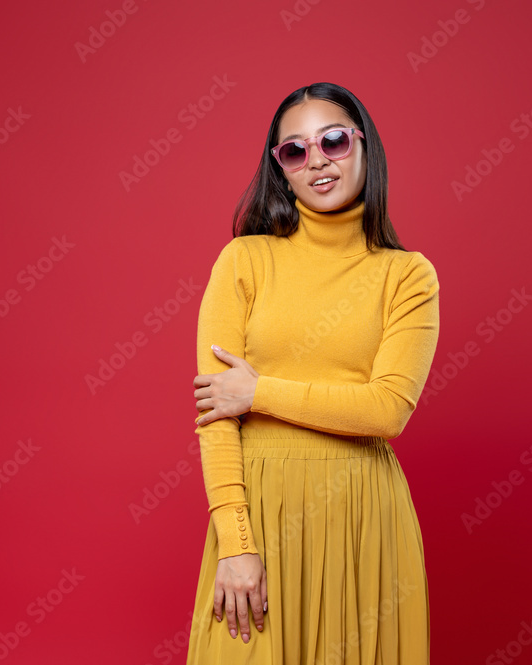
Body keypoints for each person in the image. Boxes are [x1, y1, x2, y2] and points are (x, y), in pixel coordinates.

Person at [185, 82, 440, 664]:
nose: (317, 161)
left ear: (365, 145)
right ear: (281, 168)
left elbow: (386, 411)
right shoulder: (244, 260)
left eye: (333, 141)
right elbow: (216, 418)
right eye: (295, 151)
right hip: (260, 513)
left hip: (363, 519)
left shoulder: (407, 276)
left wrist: (259, 392)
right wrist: (235, 544)